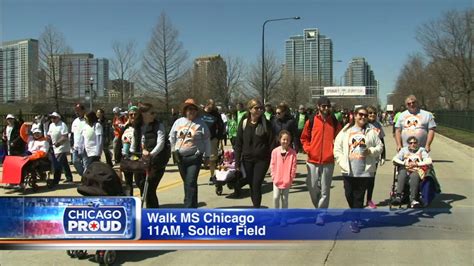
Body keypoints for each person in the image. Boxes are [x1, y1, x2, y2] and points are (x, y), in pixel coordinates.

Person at [334, 106, 383, 233]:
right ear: (355, 115)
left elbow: (380, 146)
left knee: (359, 197)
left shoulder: (371, 131)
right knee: (349, 194)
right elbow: (337, 147)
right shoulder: (346, 131)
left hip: (364, 171)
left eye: (365, 115)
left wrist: (370, 151)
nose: (363, 117)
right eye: (360, 114)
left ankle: (355, 220)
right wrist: (340, 161)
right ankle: (356, 213)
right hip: (348, 170)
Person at [300, 97, 342, 225]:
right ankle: (319, 207)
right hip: (312, 160)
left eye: (327, 106)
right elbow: (304, 138)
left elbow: (340, 139)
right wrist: (309, 149)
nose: (325, 108)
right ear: (318, 107)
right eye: (323, 106)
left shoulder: (334, 122)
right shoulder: (311, 121)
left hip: (328, 161)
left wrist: (334, 151)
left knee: (325, 189)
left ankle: (321, 214)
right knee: (312, 187)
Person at [169, 98, 211, 208]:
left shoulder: (201, 124)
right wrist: (173, 151)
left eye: (193, 109)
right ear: (184, 110)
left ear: (197, 111)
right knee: (188, 183)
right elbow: (171, 137)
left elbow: (207, 140)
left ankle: (188, 208)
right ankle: (193, 205)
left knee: (190, 181)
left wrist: (207, 156)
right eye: (188, 109)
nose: (191, 111)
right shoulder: (178, 122)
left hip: (195, 157)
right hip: (181, 158)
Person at [234, 98, 274, 208]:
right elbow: (238, 144)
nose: (259, 110)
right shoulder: (244, 123)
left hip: (262, 160)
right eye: (256, 108)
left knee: (256, 184)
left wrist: (273, 163)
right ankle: (255, 206)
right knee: (252, 185)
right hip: (247, 159)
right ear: (250, 109)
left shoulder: (266, 124)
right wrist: (237, 163)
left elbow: (272, 144)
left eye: (261, 108)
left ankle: (256, 209)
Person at [130, 103, 169, 208]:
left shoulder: (158, 126)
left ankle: (153, 213)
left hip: (156, 162)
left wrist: (150, 154)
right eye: (151, 113)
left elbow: (160, 144)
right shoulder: (137, 127)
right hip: (140, 161)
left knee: (150, 188)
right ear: (143, 114)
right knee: (141, 185)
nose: (154, 115)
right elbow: (133, 144)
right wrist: (132, 153)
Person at [392, 136, 432, 208]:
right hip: (405, 168)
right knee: (402, 173)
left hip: (416, 169)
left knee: (415, 176)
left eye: (414, 142)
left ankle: (413, 199)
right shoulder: (404, 150)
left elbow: (429, 161)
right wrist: (404, 163)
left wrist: (417, 164)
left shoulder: (421, 150)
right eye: (410, 143)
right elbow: (395, 158)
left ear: (417, 143)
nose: (412, 144)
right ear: (408, 144)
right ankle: (398, 196)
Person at [365, 106, 386, 209]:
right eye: (370, 113)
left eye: (374, 113)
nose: (372, 115)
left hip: (375, 156)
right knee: (362, 179)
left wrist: (383, 155)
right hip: (364, 156)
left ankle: (369, 199)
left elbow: (382, 141)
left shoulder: (378, 125)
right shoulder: (363, 124)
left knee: (371, 179)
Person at [270, 130, 297, 209]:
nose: (285, 141)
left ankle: (284, 217)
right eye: (284, 139)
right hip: (276, 179)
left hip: (287, 180)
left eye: (288, 140)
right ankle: (276, 215)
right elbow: (272, 165)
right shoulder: (275, 152)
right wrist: (273, 176)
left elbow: (294, 166)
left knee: (285, 199)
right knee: (275, 197)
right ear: (280, 140)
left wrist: (291, 178)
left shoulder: (293, 153)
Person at [201, 99, 225, 183]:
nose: (213, 107)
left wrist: (218, 137)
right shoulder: (200, 113)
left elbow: (221, 126)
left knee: (212, 159)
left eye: (214, 106)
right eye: (211, 106)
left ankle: (212, 176)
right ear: (207, 105)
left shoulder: (216, 115)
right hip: (200, 139)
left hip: (212, 139)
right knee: (199, 158)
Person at [47, 112, 73, 184]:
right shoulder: (51, 125)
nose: (52, 119)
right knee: (64, 163)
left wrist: (58, 142)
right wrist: (47, 141)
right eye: (51, 117)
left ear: (58, 118)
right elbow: (49, 135)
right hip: (54, 146)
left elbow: (65, 136)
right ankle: (69, 178)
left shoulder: (62, 125)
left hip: (62, 146)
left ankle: (56, 180)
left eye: (54, 117)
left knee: (57, 163)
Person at [70, 104, 87, 177]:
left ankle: (86, 178)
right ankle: (84, 176)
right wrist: (72, 144)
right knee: (75, 161)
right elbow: (72, 134)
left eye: (78, 110)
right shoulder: (75, 121)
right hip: (76, 146)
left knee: (86, 164)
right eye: (76, 111)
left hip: (85, 146)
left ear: (83, 111)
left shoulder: (87, 120)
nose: (77, 112)